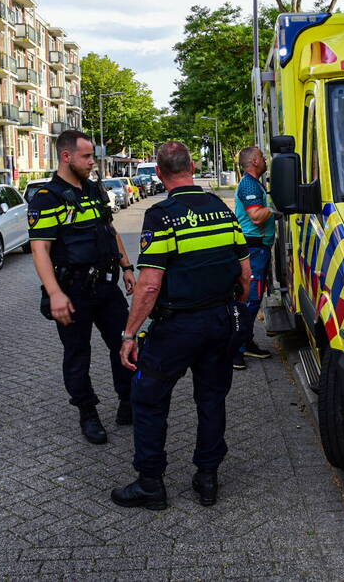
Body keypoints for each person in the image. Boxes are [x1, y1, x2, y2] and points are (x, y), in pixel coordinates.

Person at [111, 141, 251, 510]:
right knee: (211, 399)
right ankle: (207, 478)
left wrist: (129, 334)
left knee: (148, 398)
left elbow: (150, 284)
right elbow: (245, 273)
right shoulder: (221, 209)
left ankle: (150, 483)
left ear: (159, 173)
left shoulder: (162, 215)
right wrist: (234, 309)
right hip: (220, 321)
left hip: (177, 328)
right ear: (192, 167)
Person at [28, 130, 136, 445]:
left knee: (125, 342)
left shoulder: (93, 189)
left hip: (107, 287)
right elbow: (40, 249)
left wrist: (126, 266)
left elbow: (109, 229)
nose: (92, 162)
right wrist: (55, 293)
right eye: (86, 156)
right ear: (66, 157)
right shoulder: (46, 198)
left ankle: (128, 400)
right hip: (73, 292)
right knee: (78, 354)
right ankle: (88, 413)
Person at [231, 146, 276, 370]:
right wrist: (274, 208)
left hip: (259, 250)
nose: (266, 159)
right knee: (249, 300)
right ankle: (235, 350)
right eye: (262, 157)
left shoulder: (254, 183)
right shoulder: (248, 184)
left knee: (254, 299)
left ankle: (246, 343)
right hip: (253, 250)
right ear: (255, 161)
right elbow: (256, 217)